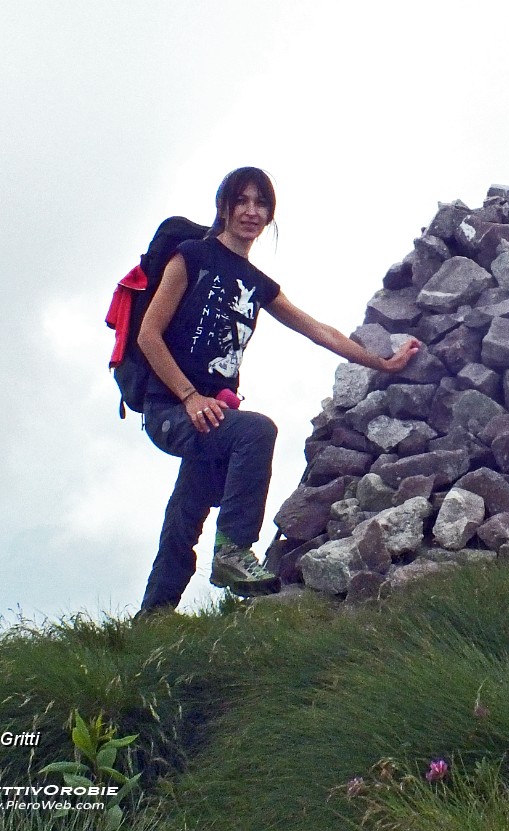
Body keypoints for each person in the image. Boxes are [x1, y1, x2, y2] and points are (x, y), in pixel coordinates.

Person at [135, 167, 419, 615]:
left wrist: (383, 363)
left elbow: (319, 330)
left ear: (269, 215)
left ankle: (151, 619)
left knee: (182, 521)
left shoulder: (258, 283)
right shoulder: (190, 257)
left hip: (213, 416)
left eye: (260, 203)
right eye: (242, 201)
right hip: (171, 409)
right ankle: (233, 551)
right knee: (256, 432)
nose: (251, 211)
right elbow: (148, 335)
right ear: (223, 207)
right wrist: (190, 397)